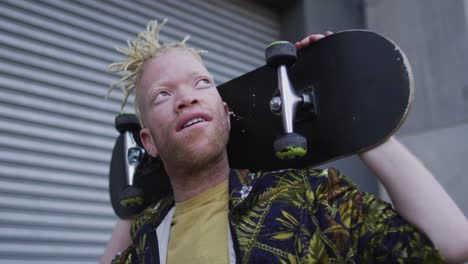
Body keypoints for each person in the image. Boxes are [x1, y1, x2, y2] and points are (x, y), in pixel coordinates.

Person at [103, 20, 468, 263]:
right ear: (147, 141)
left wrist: (354, 119)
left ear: (225, 112)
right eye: (162, 96)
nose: (187, 98)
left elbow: (453, 245)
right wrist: (131, 198)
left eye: (201, 83)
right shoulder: (147, 237)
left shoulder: (304, 198)